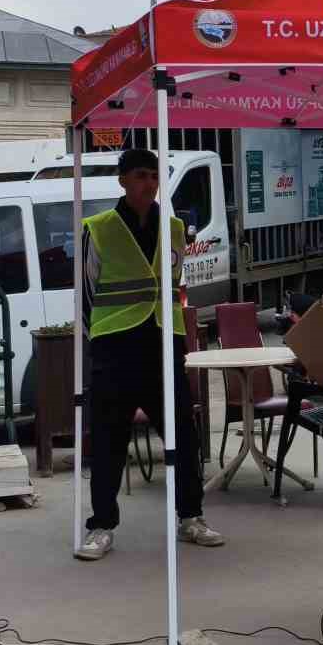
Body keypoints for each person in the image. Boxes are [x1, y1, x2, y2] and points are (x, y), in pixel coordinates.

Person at [76, 148, 223, 561]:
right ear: (122, 180)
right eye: (140, 176)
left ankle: (190, 517)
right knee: (108, 442)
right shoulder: (98, 227)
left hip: (162, 343)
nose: (149, 184)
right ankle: (101, 525)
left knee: (183, 437)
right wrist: (96, 342)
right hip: (114, 347)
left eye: (154, 176)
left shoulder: (174, 227)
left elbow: (174, 284)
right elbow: (86, 294)